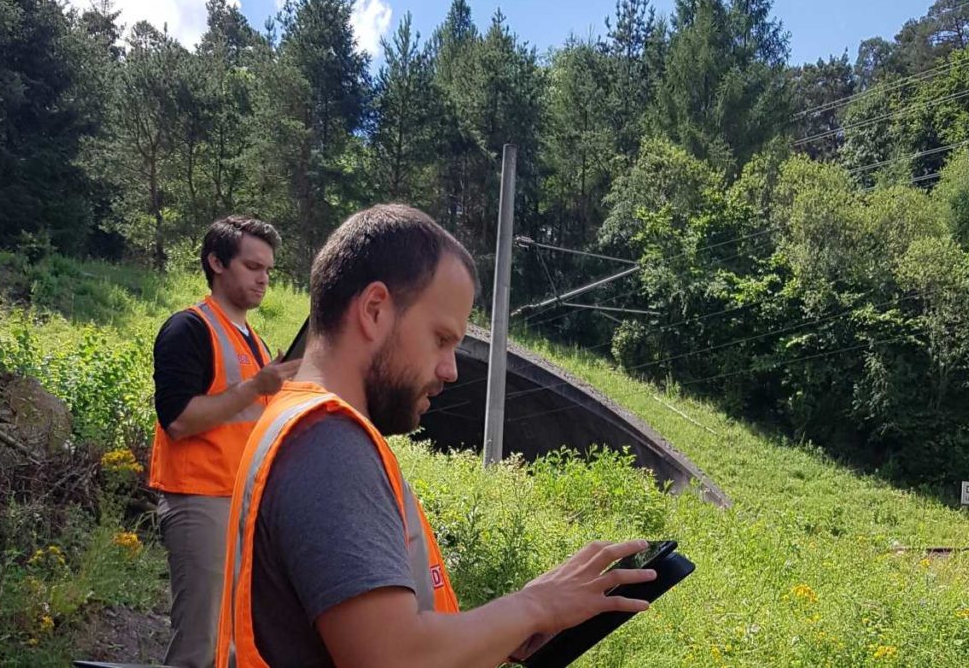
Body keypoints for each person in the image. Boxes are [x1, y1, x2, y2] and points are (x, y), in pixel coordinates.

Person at [215, 204, 655, 668]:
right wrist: (535, 607)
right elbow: (394, 658)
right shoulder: (328, 443)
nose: (450, 370)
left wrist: (513, 625)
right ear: (374, 310)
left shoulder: (293, 417)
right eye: (442, 339)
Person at [150, 216, 300, 668]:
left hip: (244, 506)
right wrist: (255, 387)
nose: (263, 279)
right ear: (216, 262)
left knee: (238, 645)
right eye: (252, 266)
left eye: (269, 270)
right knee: (201, 644)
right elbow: (177, 420)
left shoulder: (254, 340)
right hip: (199, 501)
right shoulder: (188, 328)